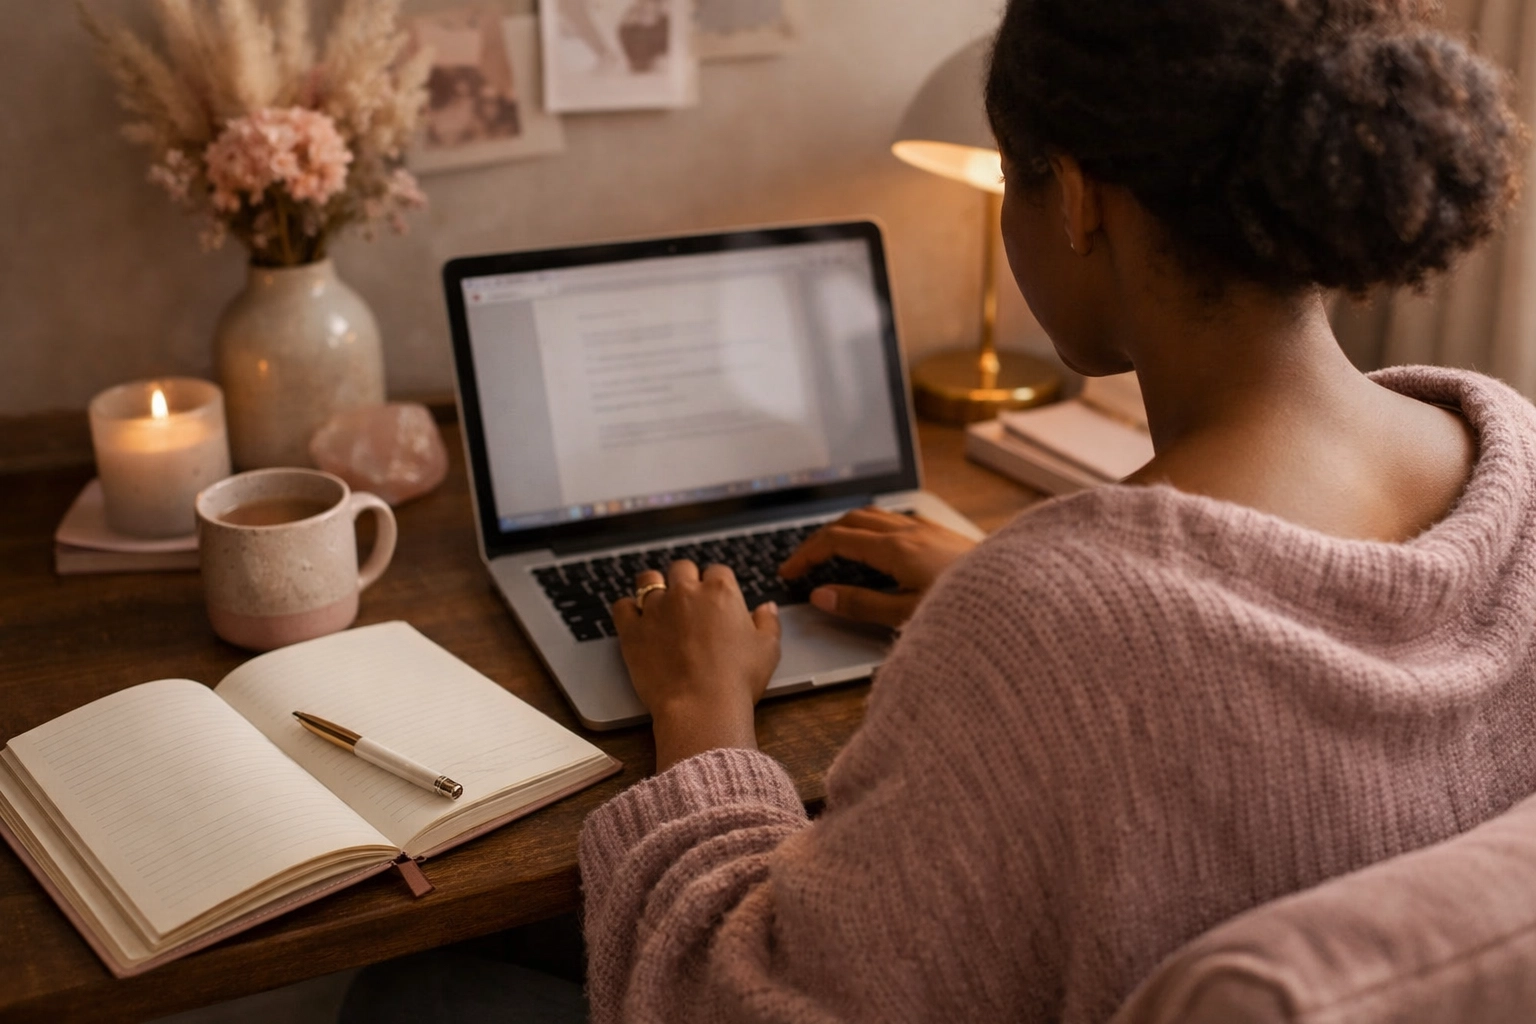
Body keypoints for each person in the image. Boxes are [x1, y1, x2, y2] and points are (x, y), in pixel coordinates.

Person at [575, 0, 1536, 1021]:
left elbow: (732, 1003)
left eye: (1007, 177)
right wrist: (1043, 612)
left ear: (1076, 198)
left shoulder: (1035, 630)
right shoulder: (1511, 458)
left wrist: (702, 715)